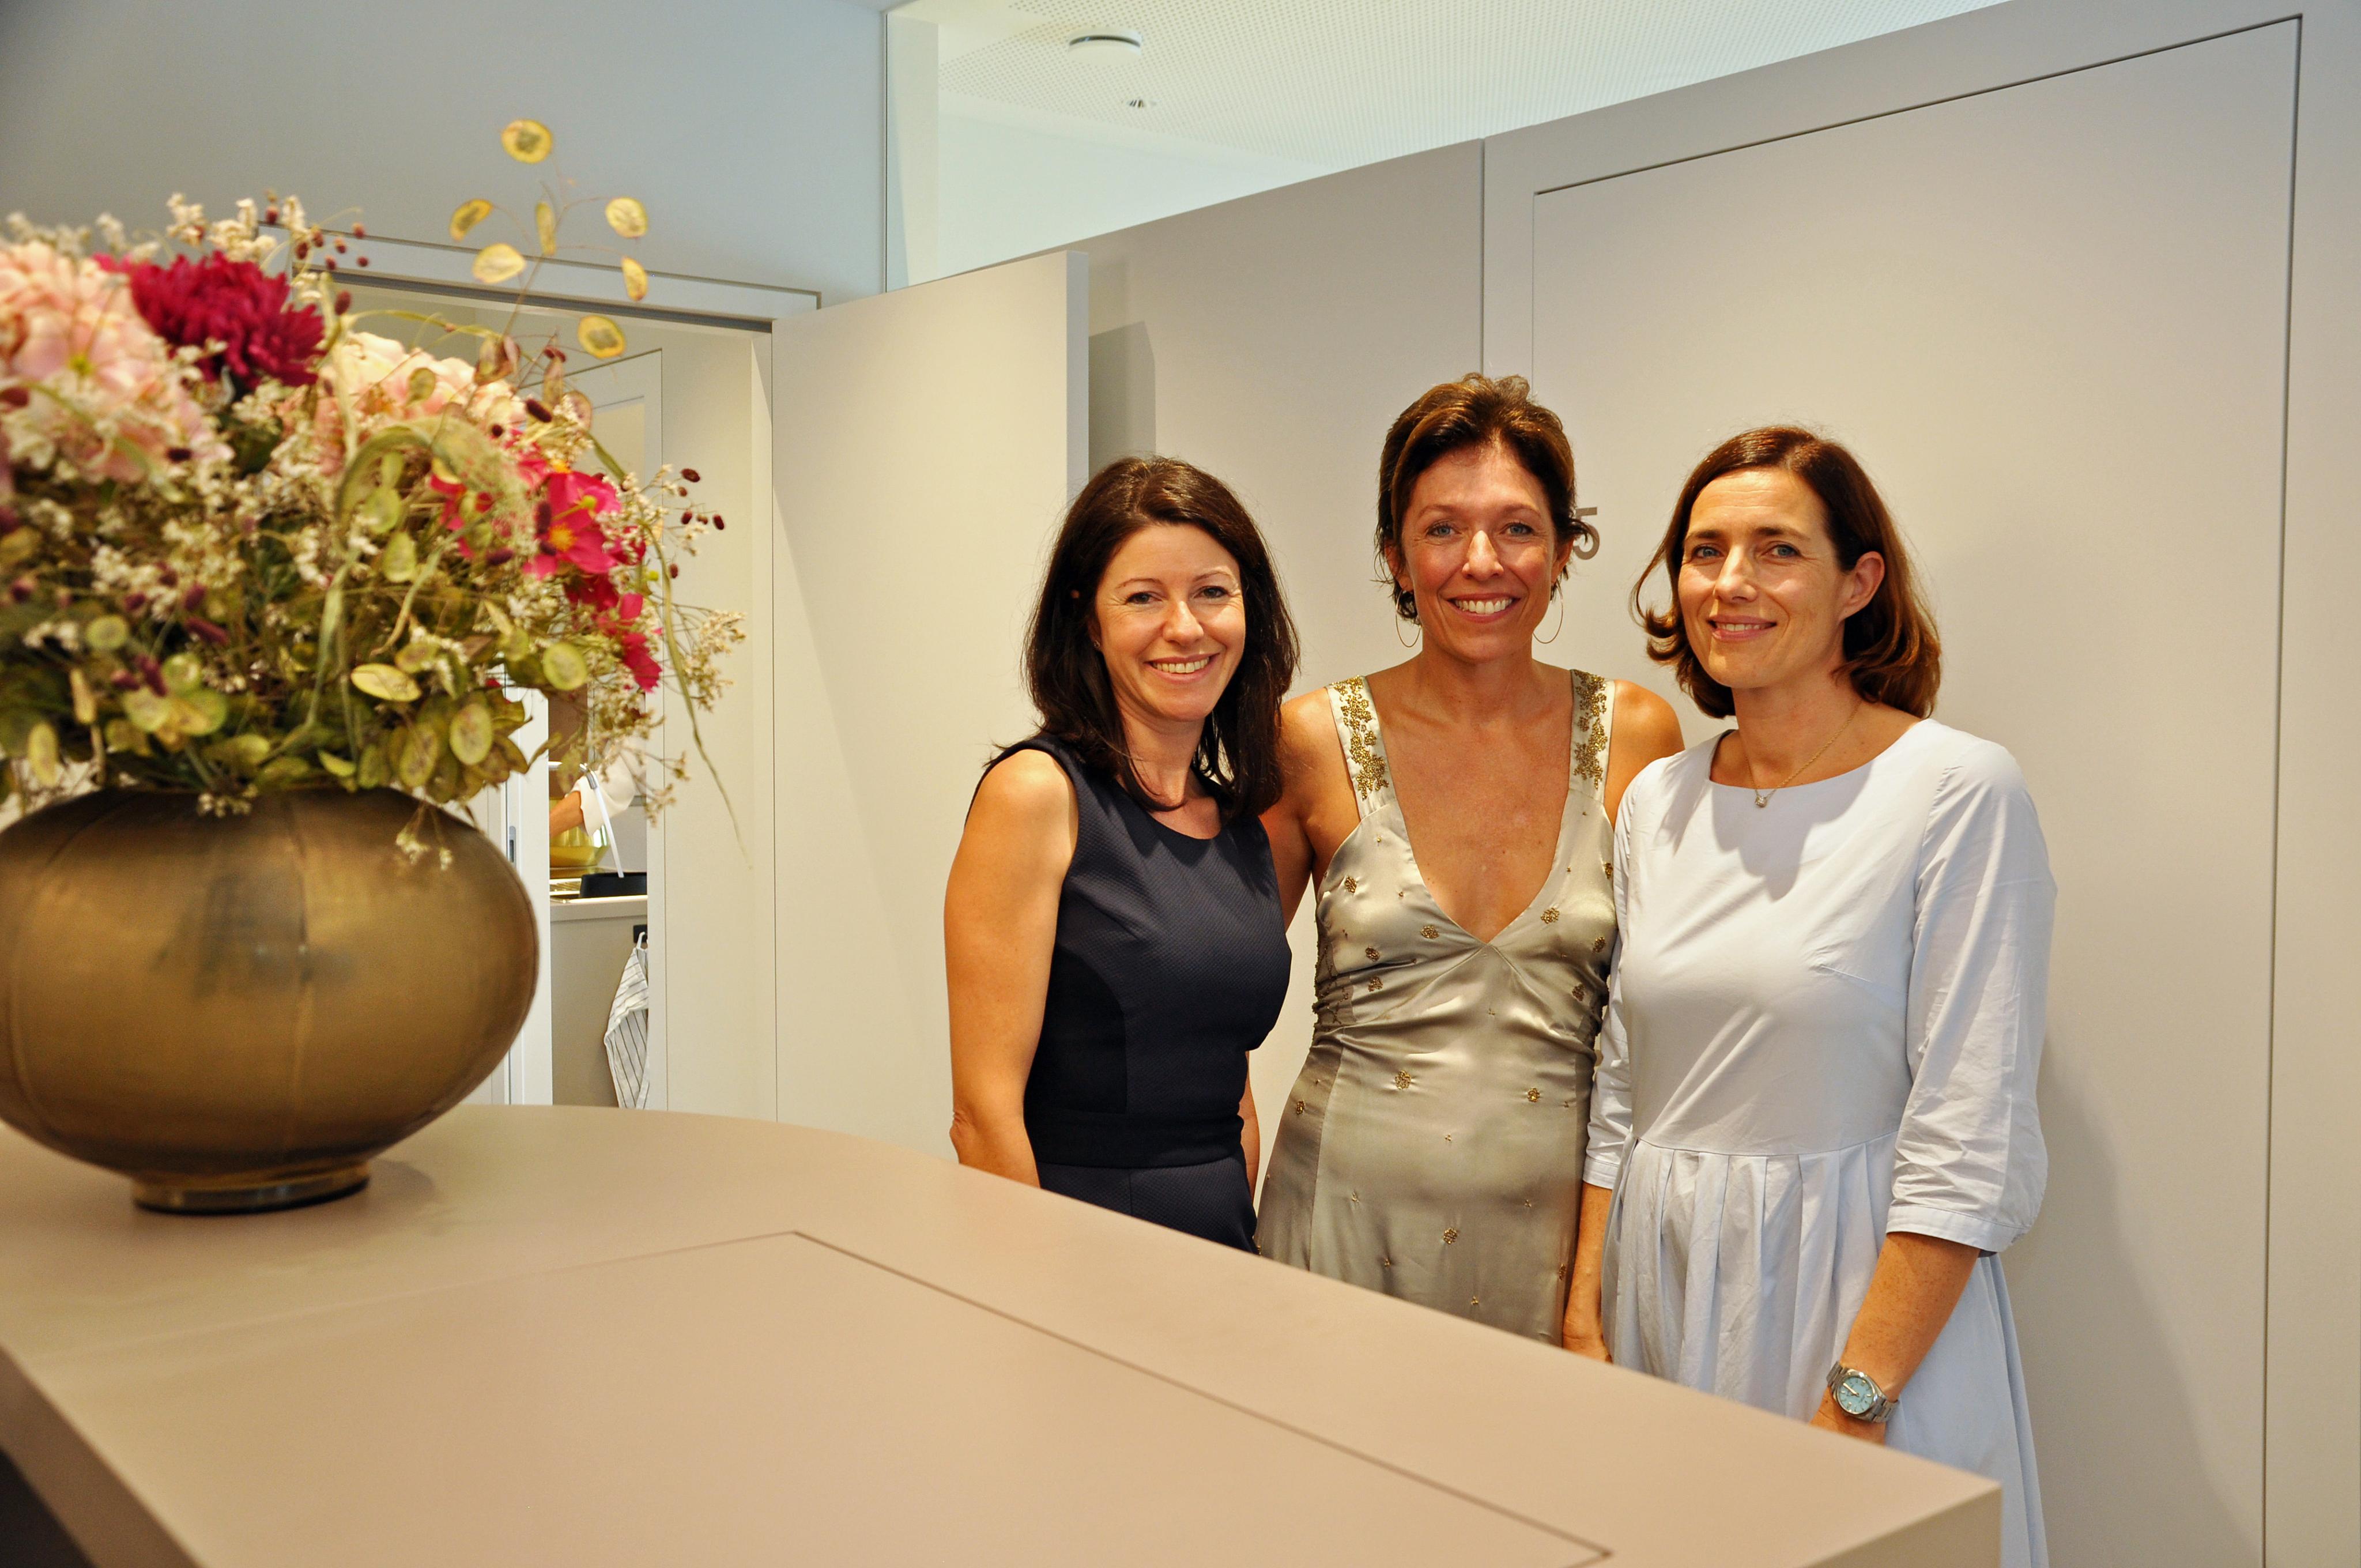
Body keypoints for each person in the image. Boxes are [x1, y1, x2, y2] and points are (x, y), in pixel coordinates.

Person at [1568, 427, 2051, 1567]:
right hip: (1664, 1296)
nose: (1729, 582)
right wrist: (1585, 1315)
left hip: (1859, 1311)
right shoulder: (1657, 801)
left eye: (1776, 550)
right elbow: (1621, 1086)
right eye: (1704, 551)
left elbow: (1967, 1133)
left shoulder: (1955, 791)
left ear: (1858, 582)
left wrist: (1858, 1397)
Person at [1254, 375, 1683, 1340]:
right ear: (1396, 558)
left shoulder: (1638, 736)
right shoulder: (1310, 738)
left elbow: (1658, 1027)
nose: (1481, 561)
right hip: (1336, 1231)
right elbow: (1215, 993)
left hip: (1558, 1256)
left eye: (1517, 528)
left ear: (1564, 550)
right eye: (1442, 529)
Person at [944, 456, 1298, 1249]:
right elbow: (982, 1116)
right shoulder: (1037, 796)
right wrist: (1033, 1290)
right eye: (1143, 598)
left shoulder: (1238, 821)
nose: (1186, 627)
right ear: (1088, 621)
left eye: (1212, 592)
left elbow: (1230, 1081)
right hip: (1078, 1244)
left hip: (1220, 1244)